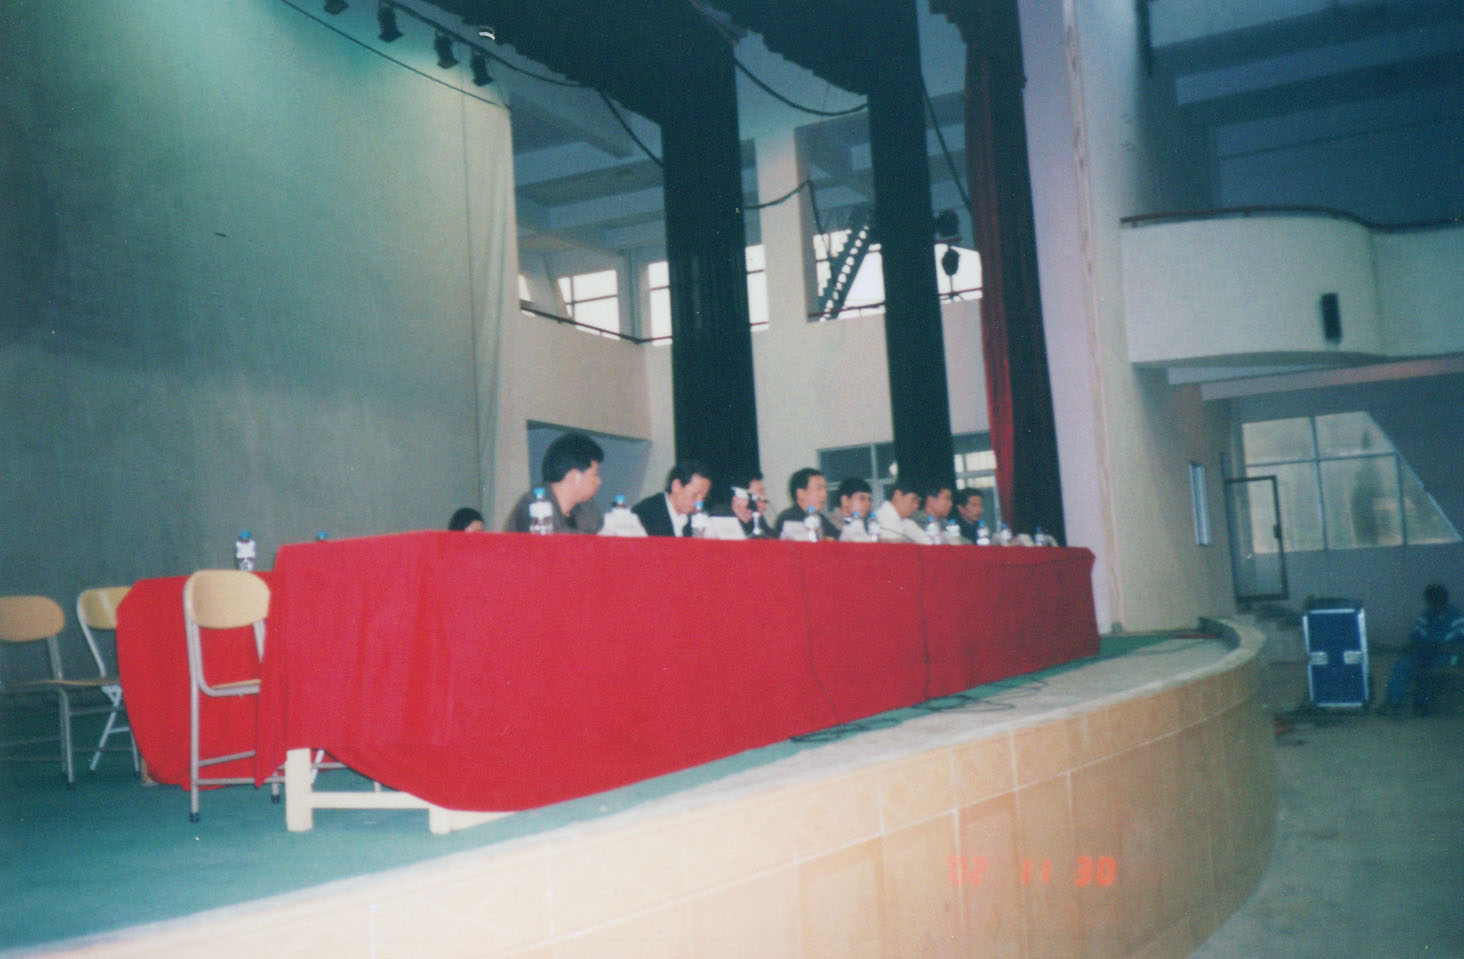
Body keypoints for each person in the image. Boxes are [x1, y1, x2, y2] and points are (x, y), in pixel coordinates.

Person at [1379, 583, 1464, 715]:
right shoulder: (1425, 616)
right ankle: (1394, 702)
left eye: (1437, 603)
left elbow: (1459, 645)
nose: (1435, 606)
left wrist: (1439, 647)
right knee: (1403, 665)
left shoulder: (1457, 618)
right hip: (1424, 653)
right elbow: (1415, 637)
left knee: (1435, 668)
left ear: (1444, 601)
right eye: (1432, 603)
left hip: (1448, 656)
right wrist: (1415, 647)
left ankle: (1421, 704)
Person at [502, 432, 605, 534]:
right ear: (575, 476)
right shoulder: (533, 506)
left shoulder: (587, 507)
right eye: (595, 474)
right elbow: (551, 542)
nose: (599, 481)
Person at [632, 460, 712, 537]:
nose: (699, 502)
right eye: (694, 494)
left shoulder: (697, 519)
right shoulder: (645, 514)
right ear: (676, 486)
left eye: (703, 497)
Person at [774, 467, 840, 540]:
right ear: (801, 493)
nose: (824, 494)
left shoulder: (821, 519)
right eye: (819, 488)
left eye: (825, 489)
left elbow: (838, 537)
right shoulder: (788, 518)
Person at [874, 478, 930, 543]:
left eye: (918, 503)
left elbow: (929, 543)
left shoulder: (908, 522)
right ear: (897, 495)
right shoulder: (882, 517)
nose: (916, 506)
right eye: (914, 499)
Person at [728, 470, 775, 538]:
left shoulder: (758, 520)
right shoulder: (722, 519)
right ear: (739, 496)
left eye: (763, 493)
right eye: (760, 492)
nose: (763, 498)